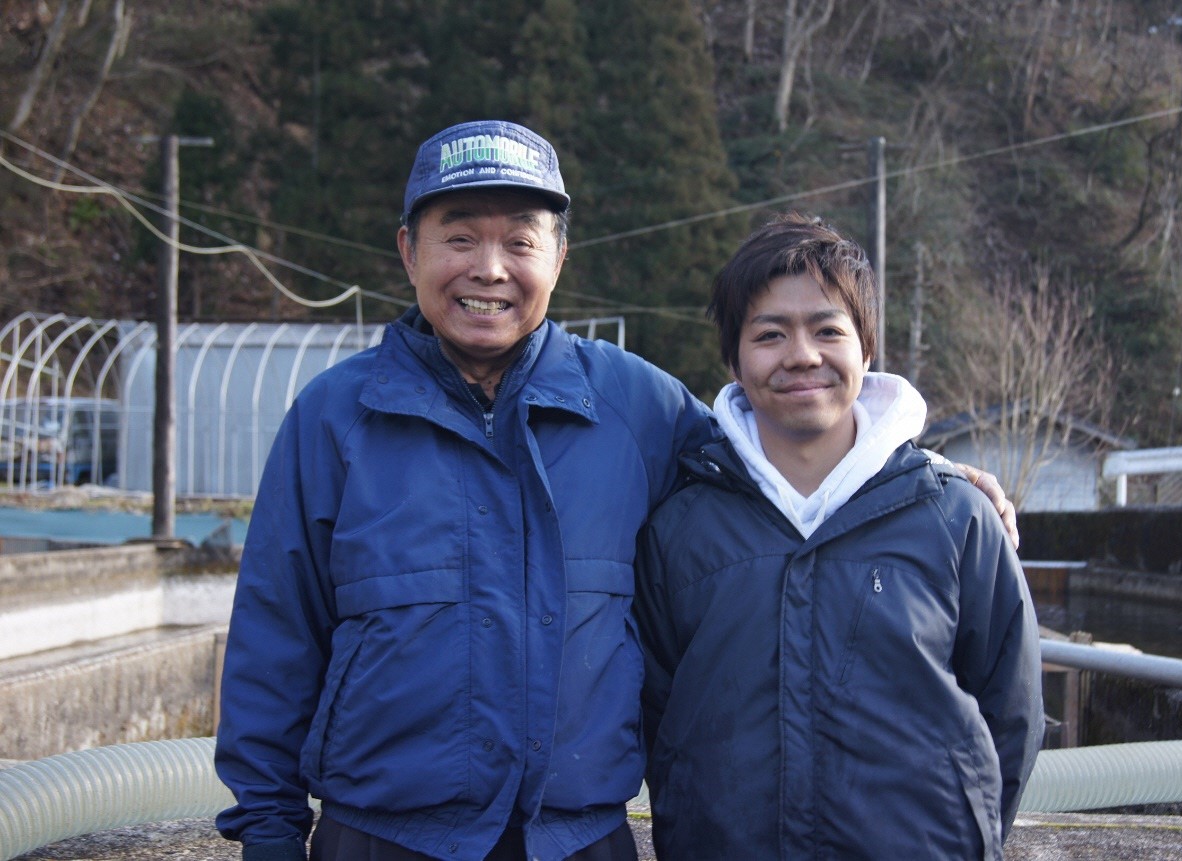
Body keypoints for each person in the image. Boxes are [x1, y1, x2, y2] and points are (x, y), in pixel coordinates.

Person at [214, 120, 1019, 861]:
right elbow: (275, 637)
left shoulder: (636, 404)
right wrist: (269, 833)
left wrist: (925, 474)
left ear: (558, 258)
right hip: (378, 837)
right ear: (408, 252)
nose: (488, 269)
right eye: (458, 238)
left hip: (577, 842)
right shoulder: (335, 417)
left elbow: (786, 458)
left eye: (519, 242)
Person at [634, 214, 1045, 860]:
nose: (802, 355)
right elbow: (660, 722)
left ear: (867, 349)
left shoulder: (955, 518)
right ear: (734, 359)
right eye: (770, 334)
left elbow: (1011, 715)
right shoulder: (680, 532)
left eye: (828, 329)